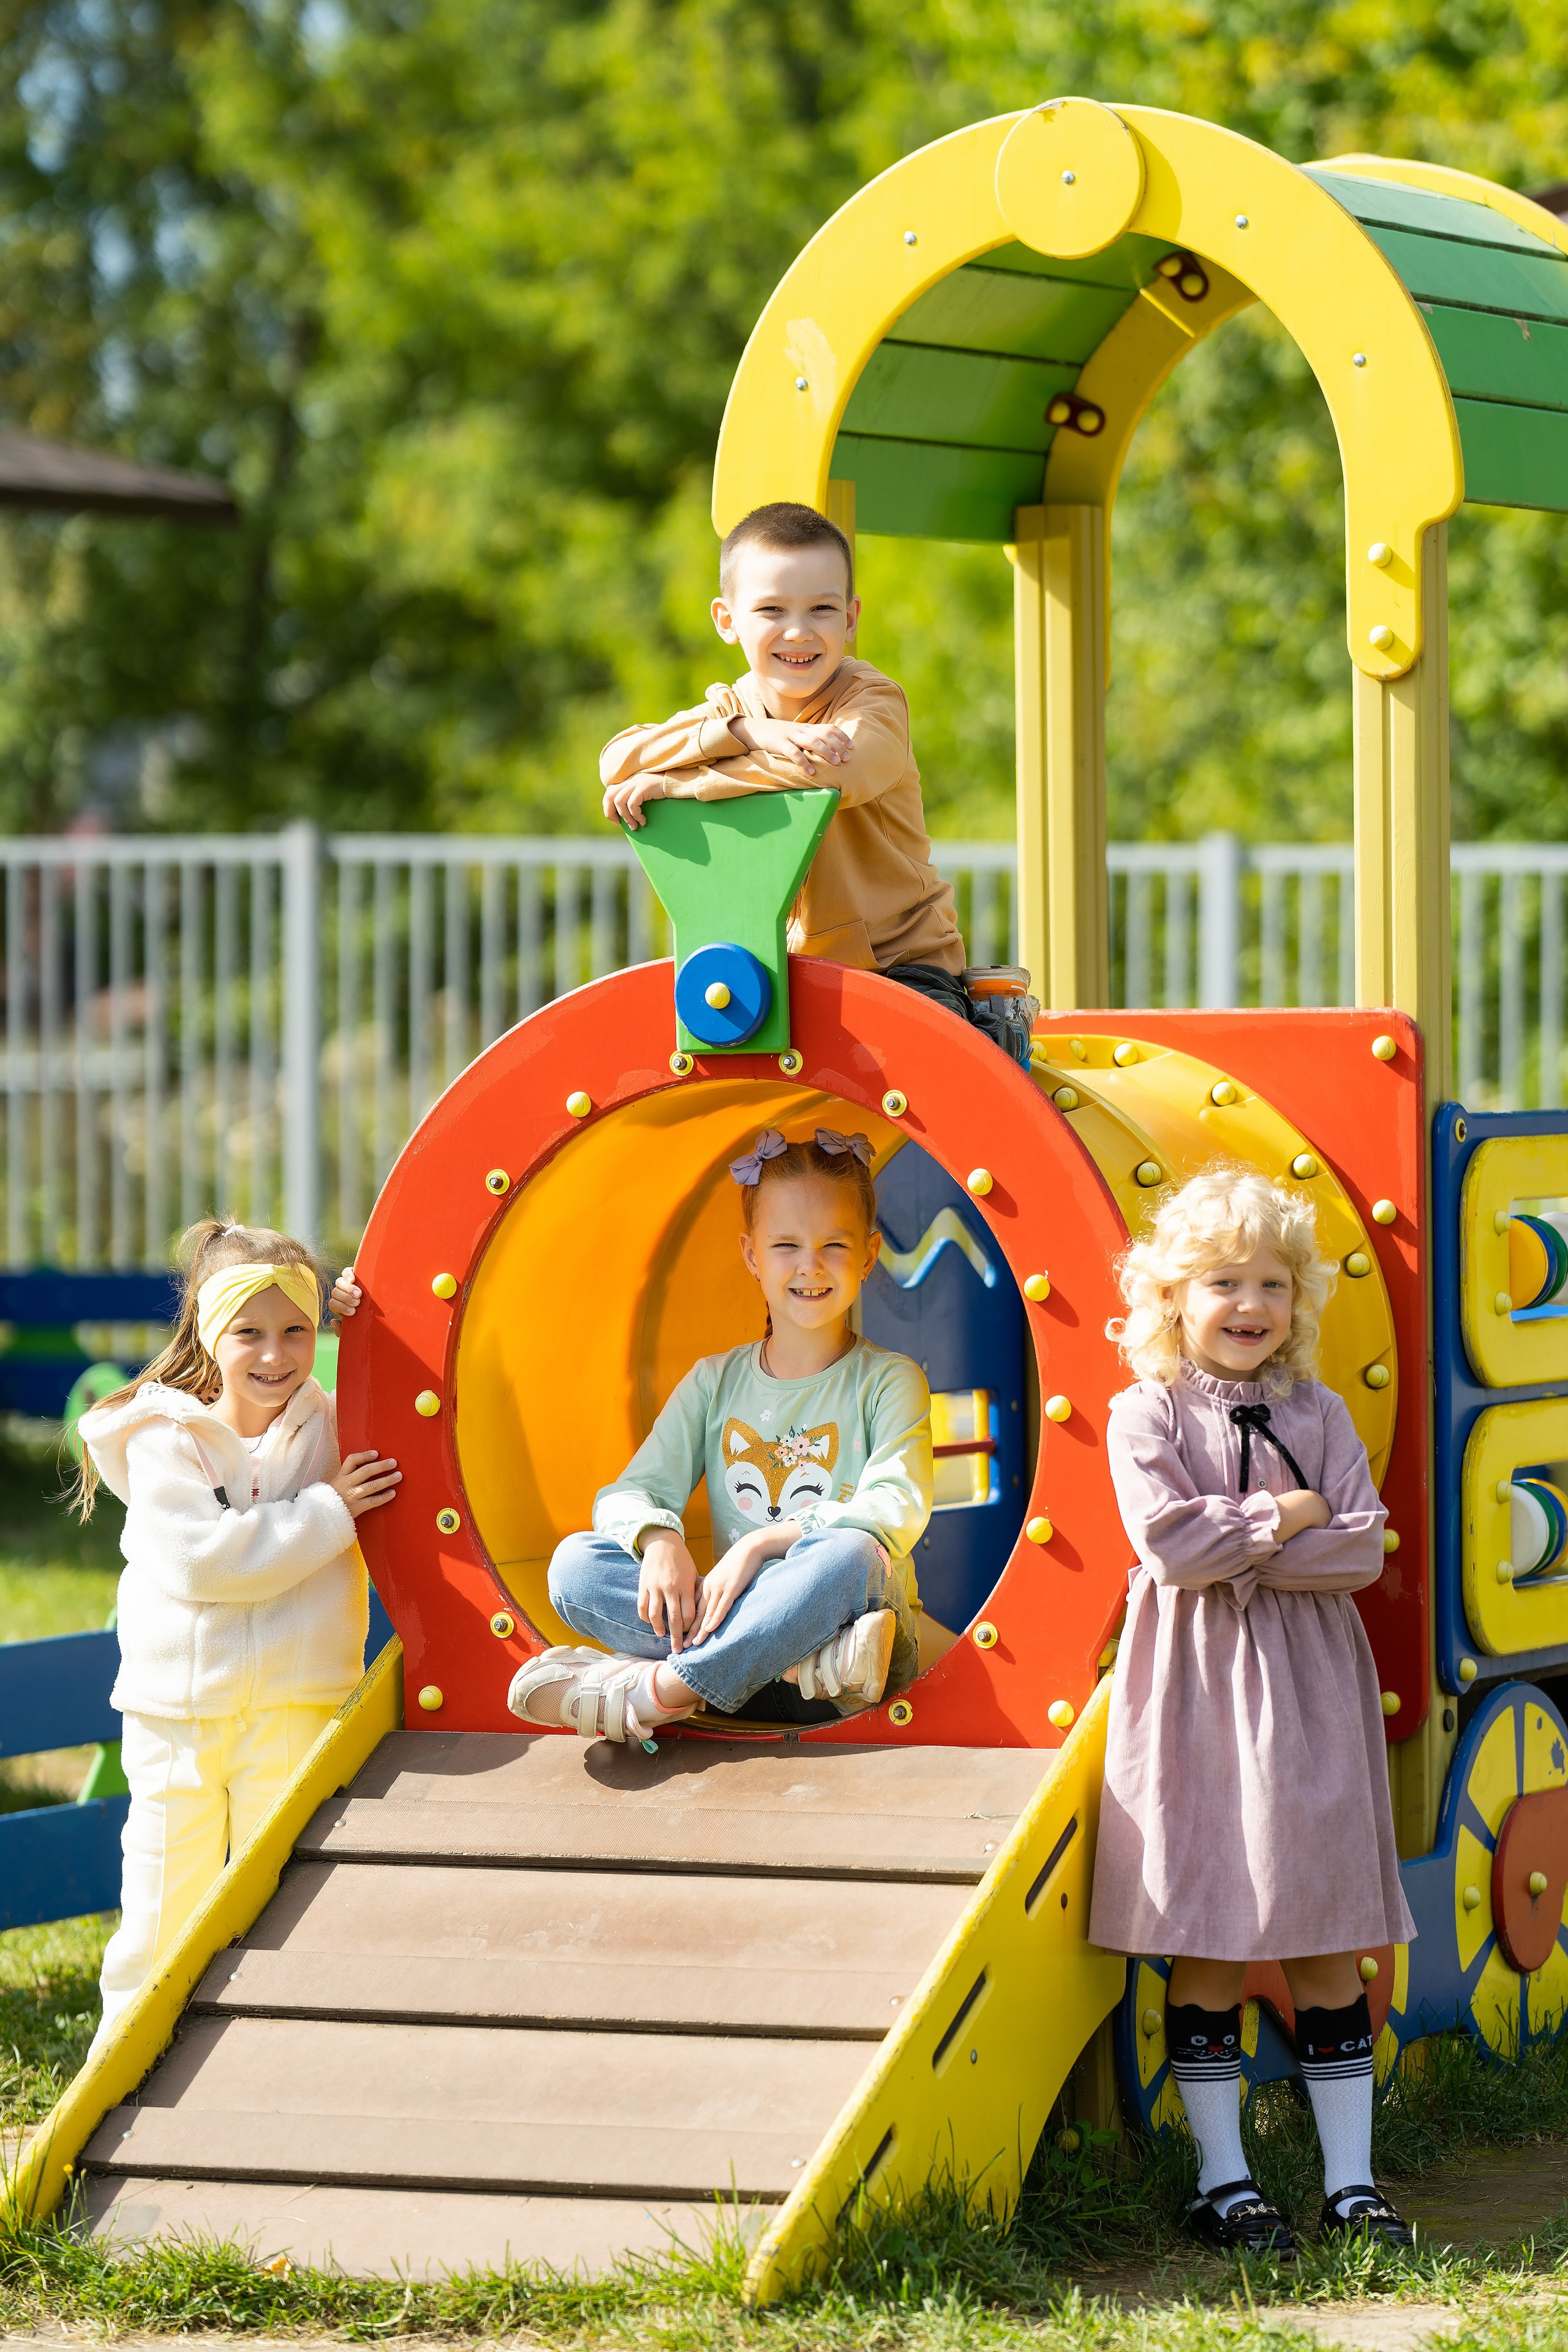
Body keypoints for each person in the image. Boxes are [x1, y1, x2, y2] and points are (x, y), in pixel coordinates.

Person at [1088, 1165, 1415, 2260]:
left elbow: (1361, 1548)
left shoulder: (1320, 1409)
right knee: (1213, 1930)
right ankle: (1223, 2179)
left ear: (1298, 1301)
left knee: (1325, 1934)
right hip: (1193, 1695)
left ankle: (1352, 2183)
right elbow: (1170, 1548)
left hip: (1311, 1697)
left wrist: (1257, 1540)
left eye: (1273, 1283)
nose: (1251, 1305)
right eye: (1223, 1280)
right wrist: (1289, 1513)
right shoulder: (1146, 1411)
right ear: (1173, 1296)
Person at [74, 1220, 399, 2045]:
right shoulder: (162, 1440)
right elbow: (202, 1564)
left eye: (297, 1330)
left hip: (295, 1703)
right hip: (180, 1715)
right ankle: (124, 2057)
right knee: (162, 1898)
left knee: (280, 1894)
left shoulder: (324, 1422)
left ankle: (271, 2049)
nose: (275, 1354)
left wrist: (374, 1315)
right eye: (249, 1332)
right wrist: (328, 1511)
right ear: (211, 1334)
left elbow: (400, 1388)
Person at [510, 1128, 931, 1743]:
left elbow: (893, 1508)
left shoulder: (888, 1380)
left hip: (857, 1640)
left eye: (833, 1245)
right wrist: (658, 1539)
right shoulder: (714, 1382)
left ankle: (659, 1691)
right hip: (795, 1665)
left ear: (867, 1256)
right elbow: (628, 1494)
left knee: (848, 1553)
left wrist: (761, 1545)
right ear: (752, 1254)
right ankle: (789, 1663)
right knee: (575, 1565)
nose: (809, 1264)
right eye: (785, 1244)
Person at [598, 499, 1037, 1064]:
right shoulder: (733, 709)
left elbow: (832, 773)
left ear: (851, 618)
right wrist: (749, 733)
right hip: (778, 976)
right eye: (772, 610)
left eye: (822, 609)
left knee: (932, 1078)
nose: (799, 632)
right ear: (727, 620)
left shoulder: (871, 702)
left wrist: (682, 783)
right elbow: (618, 760)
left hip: (896, 966)